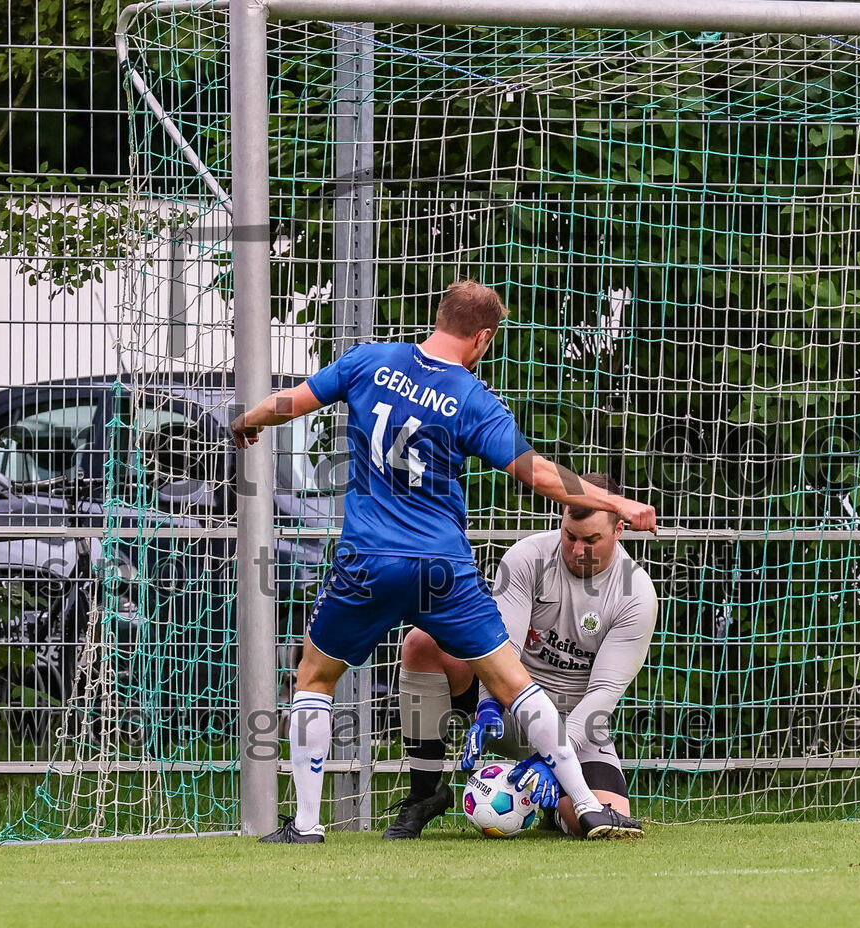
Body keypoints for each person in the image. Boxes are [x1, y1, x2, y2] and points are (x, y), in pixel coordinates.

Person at [229, 280, 656, 844]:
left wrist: (250, 420)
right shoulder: (475, 399)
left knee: (315, 678)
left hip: (368, 561)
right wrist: (618, 501)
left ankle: (307, 825)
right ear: (482, 337)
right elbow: (542, 476)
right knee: (514, 685)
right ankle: (586, 803)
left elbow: (293, 400)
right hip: (441, 568)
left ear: (439, 318)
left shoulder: (368, 361)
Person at [384, 473, 658, 839]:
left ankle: (551, 805)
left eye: (591, 540)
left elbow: (603, 694)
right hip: (507, 710)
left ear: (619, 529)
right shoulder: (527, 558)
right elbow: (499, 649)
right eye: (570, 536)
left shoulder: (636, 594)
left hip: (578, 729)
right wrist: (486, 705)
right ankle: (424, 793)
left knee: (604, 822)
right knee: (423, 642)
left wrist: (553, 756)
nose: (578, 550)